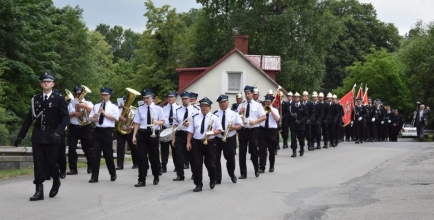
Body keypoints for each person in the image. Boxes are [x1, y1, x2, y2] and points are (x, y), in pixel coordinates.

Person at [14, 73, 69, 201]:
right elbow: (29, 118)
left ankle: (56, 180)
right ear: (41, 84)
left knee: (52, 163)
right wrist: (20, 136)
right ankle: (39, 191)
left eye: (49, 82)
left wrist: (58, 132)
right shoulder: (36, 99)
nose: (46, 83)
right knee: (38, 163)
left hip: (52, 134)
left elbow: (65, 117)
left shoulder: (59, 98)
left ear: (53, 84)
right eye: (44, 81)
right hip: (38, 135)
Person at [186, 97, 222, 192]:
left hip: (210, 143)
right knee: (196, 164)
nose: (204, 108)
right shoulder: (195, 117)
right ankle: (198, 184)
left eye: (206, 106)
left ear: (210, 107)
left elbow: (219, 130)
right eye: (202, 106)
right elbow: (190, 131)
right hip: (196, 143)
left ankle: (212, 178)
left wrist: (210, 133)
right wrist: (188, 142)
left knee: (211, 164)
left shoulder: (215, 118)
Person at [132, 89, 165, 187]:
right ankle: (142, 179)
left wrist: (157, 122)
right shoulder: (140, 109)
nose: (145, 100)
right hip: (142, 133)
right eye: (144, 98)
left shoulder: (158, 109)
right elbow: (137, 123)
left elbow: (163, 121)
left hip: (153, 133)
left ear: (151, 97)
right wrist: (134, 135)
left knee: (153, 157)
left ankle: (156, 175)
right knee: (141, 157)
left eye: (147, 98)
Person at [88, 87, 119, 183]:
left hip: (107, 131)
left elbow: (116, 118)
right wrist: (94, 117)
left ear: (109, 95)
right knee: (95, 154)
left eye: (105, 95)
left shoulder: (114, 107)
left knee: (108, 154)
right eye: (102, 95)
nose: (103, 96)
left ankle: (112, 173)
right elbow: (89, 118)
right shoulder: (96, 105)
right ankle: (94, 176)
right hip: (97, 131)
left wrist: (104, 114)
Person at [237, 85, 266, 179]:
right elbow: (237, 118)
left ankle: (256, 169)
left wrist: (255, 122)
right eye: (245, 94)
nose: (247, 95)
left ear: (252, 94)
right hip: (243, 130)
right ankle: (243, 173)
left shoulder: (257, 105)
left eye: (248, 93)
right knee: (242, 152)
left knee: (253, 151)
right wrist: (240, 112)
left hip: (253, 130)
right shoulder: (241, 104)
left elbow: (264, 117)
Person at [214, 94, 242, 184]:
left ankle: (231, 174)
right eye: (221, 102)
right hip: (217, 139)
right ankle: (217, 178)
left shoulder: (234, 113)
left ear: (228, 102)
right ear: (219, 104)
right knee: (215, 159)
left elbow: (240, 125)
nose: (223, 104)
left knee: (230, 159)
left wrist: (233, 128)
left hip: (229, 138)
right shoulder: (215, 114)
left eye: (224, 102)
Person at [171, 91, 199, 181]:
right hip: (180, 133)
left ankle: (195, 174)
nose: (184, 100)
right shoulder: (178, 110)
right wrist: (173, 138)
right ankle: (180, 175)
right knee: (179, 155)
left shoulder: (195, 110)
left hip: (190, 134)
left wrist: (190, 123)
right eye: (183, 99)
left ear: (190, 99)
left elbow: (198, 123)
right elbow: (175, 125)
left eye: (186, 99)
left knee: (192, 155)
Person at [67, 86, 94, 175]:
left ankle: (90, 165)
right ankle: (73, 169)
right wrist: (73, 114)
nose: (78, 95)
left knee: (87, 148)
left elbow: (94, 113)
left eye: (79, 94)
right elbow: (65, 116)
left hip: (85, 127)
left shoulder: (88, 103)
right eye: (76, 94)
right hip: (74, 127)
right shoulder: (71, 103)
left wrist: (84, 106)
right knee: (71, 148)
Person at [116, 95, 138, 170]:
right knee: (120, 148)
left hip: (130, 130)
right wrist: (119, 117)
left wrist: (131, 125)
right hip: (120, 130)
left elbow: (137, 121)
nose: (125, 103)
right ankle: (120, 165)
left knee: (133, 147)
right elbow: (114, 118)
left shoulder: (133, 109)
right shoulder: (118, 109)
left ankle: (135, 163)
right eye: (124, 101)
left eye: (126, 101)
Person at [258, 94, 280, 172]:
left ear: (271, 103)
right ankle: (262, 167)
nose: (267, 103)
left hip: (272, 131)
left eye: (268, 102)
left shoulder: (275, 110)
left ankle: (271, 166)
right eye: (266, 102)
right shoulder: (261, 109)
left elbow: (277, 119)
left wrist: (271, 110)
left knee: (271, 150)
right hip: (263, 130)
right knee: (262, 149)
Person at [160, 91, 179, 173]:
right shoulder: (163, 108)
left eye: (171, 97)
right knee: (164, 150)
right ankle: (163, 166)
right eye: (169, 97)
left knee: (175, 150)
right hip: (166, 129)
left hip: (175, 130)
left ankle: (177, 166)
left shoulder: (179, 108)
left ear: (175, 98)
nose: (170, 98)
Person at [289, 92, 309, 157]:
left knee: (301, 138)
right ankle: (294, 151)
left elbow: (306, 115)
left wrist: (301, 121)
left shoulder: (303, 106)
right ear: (294, 98)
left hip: (301, 125)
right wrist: (292, 117)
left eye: (298, 97)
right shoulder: (291, 106)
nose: (296, 99)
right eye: (295, 97)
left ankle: (302, 149)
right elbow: (289, 114)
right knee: (293, 139)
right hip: (293, 125)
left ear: (299, 98)